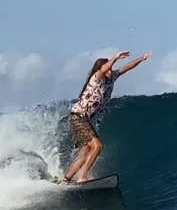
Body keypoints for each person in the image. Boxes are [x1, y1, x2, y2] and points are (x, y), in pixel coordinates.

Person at [60, 50, 153, 184]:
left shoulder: (112, 77)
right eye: (108, 69)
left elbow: (126, 67)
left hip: (88, 121)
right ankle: (83, 176)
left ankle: (66, 179)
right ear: (100, 69)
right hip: (79, 117)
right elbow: (104, 69)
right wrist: (116, 57)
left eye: (111, 69)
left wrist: (142, 58)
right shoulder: (97, 78)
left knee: (84, 153)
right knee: (97, 146)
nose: (110, 71)